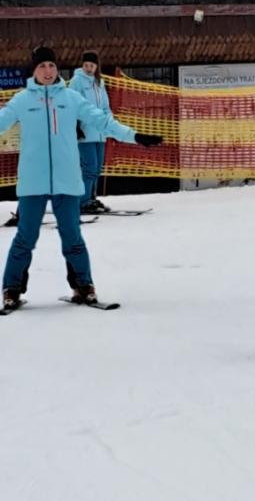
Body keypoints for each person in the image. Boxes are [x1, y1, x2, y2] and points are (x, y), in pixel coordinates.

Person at [0, 46, 163, 311]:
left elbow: (102, 121)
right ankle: (12, 290)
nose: (48, 71)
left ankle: (84, 286)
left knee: (72, 237)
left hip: (67, 180)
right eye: (42, 66)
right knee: (25, 238)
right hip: (32, 182)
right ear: (34, 70)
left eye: (51, 66)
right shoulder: (22, 100)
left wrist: (134, 136)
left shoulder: (71, 98)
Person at [68, 50, 112, 213]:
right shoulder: (77, 81)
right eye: (86, 65)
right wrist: (75, 125)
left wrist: (109, 122)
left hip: (99, 133)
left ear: (96, 67)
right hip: (85, 133)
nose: (88, 68)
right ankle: (83, 201)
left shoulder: (100, 83)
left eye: (91, 65)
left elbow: (106, 106)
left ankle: (92, 198)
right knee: (89, 167)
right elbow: (71, 104)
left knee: (97, 168)